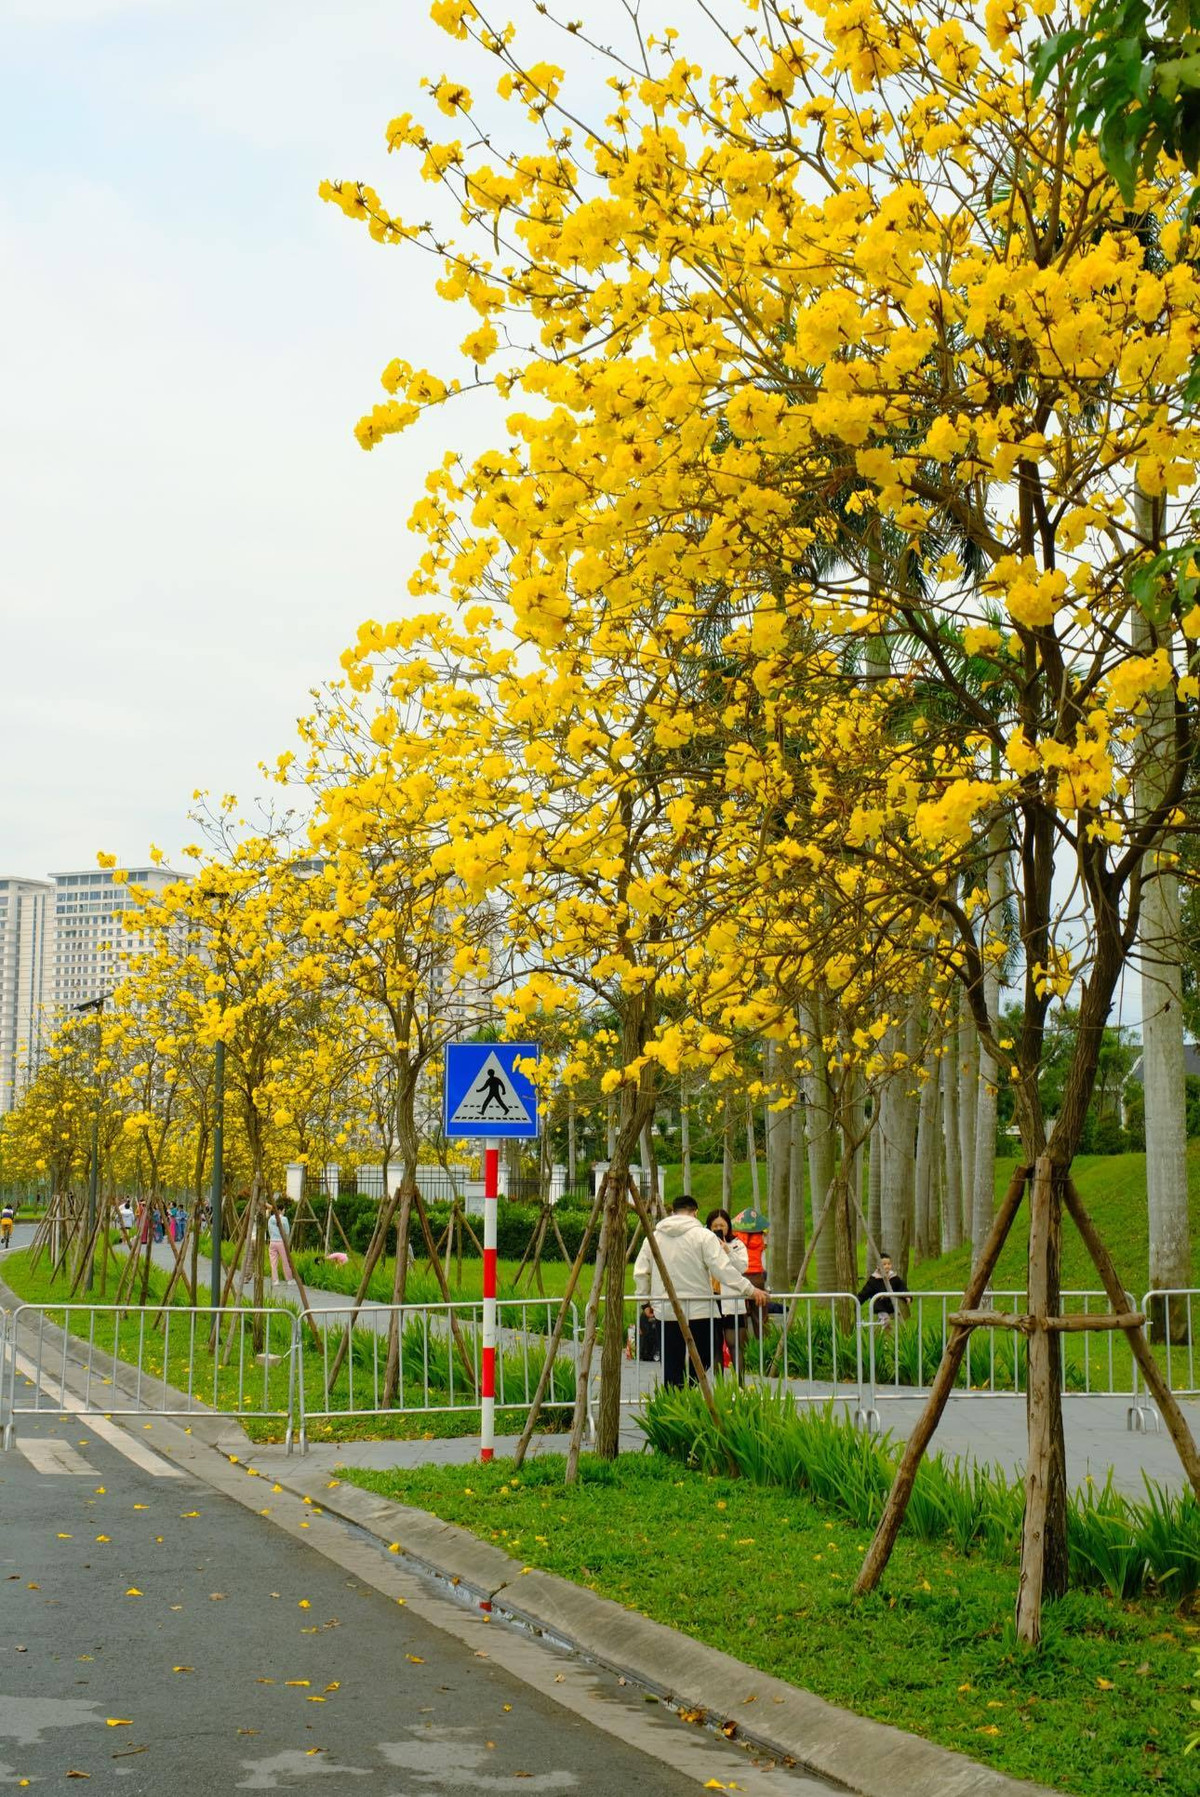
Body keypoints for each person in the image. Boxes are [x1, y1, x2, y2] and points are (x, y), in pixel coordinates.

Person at [633, 1195, 768, 1387]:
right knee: (703, 1357)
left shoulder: (654, 1237)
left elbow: (641, 1272)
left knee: (671, 1362)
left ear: (673, 1212)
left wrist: (645, 1301)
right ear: (695, 1212)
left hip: (666, 1309)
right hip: (700, 1310)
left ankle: (675, 1396)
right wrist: (750, 1289)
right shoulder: (704, 1237)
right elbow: (723, 1269)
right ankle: (688, 1389)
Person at [706, 1208, 750, 1375]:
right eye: (715, 1226)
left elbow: (742, 1267)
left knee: (735, 1343)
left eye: (722, 1225)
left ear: (728, 1226)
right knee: (715, 1345)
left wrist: (727, 1250)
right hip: (712, 1299)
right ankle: (719, 1385)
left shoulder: (737, 1244)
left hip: (731, 1300)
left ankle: (740, 1384)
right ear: (709, 1227)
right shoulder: (704, 1245)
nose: (719, 1229)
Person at [857, 1253, 910, 1326]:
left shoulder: (894, 1277)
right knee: (882, 1313)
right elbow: (865, 1292)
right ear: (878, 1266)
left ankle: (897, 1328)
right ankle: (885, 1323)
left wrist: (907, 1296)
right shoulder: (874, 1279)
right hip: (880, 1305)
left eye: (889, 1264)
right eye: (884, 1264)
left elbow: (901, 1287)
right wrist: (857, 1301)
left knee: (899, 1314)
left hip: (892, 1304)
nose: (887, 1266)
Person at [266, 1199, 292, 1287]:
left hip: (272, 1242)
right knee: (285, 1261)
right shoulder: (284, 1219)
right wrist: (286, 1241)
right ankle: (289, 1279)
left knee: (273, 1262)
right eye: (284, 1210)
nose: (284, 1212)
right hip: (281, 1242)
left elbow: (269, 1230)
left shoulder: (270, 1219)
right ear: (280, 1210)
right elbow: (287, 1232)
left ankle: (275, 1280)